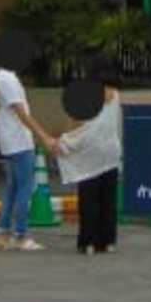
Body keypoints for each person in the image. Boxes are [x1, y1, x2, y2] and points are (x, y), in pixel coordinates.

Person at [0, 35, 63, 252]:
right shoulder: (8, 79)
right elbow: (21, 114)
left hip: (10, 140)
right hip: (19, 141)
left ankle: (3, 233)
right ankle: (21, 235)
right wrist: (44, 136)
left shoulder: (2, 77)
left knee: (12, 188)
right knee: (25, 189)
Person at [54, 64, 122, 256]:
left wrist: (63, 140)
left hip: (90, 156)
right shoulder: (116, 95)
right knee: (108, 200)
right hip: (110, 152)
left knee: (89, 200)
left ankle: (88, 242)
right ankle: (108, 241)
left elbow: (78, 125)